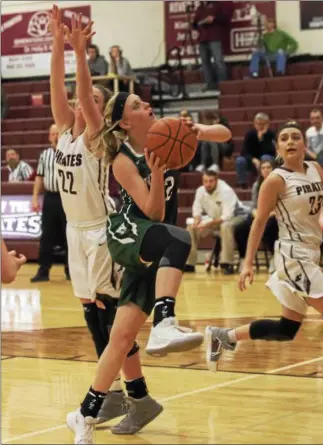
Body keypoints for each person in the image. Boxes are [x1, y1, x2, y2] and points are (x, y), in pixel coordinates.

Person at [65, 13, 232, 444]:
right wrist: (80, 53)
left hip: (153, 247)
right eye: (138, 106)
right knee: (179, 235)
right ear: (123, 121)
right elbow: (153, 211)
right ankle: (164, 321)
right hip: (128, 234)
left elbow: (226, 131)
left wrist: (198, 129)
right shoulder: (120, 154)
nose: (148, 107)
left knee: (120, 338)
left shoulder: (169, 138)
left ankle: (84, 415)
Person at [50, 6, 162, 435]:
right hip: (74, 234)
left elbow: (78, 91)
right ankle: (128, 394)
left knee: (110, 317)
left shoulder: (99, 141)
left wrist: (81, 54)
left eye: (94, 99)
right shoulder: (63, 131)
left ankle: (131, 395)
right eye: (86, 98)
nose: (84, 102)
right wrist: (59, 44)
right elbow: (58, 88)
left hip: (101, 233)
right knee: (93, 317)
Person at [205, 121, 323, 372]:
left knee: (286, 329)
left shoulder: (315, 169)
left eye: (296, 137)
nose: (291, 141)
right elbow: (258, 222)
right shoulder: (275, 180)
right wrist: (247, 263)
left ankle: (224, 336)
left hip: (312, 252)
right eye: (284, 138)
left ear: (305, 144)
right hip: (293, 255)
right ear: (278, 148)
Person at [185, 170, 249, 275]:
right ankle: (189, 264)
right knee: (191, 228)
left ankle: (227, 264)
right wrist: (197, 221)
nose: (208, 184)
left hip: (237, 217)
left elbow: (226, 216)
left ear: (216, 181)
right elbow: (196, 210)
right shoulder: (200, 191)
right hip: (215, 219)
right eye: (205, 181)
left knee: (225, 226)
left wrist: (207, 224)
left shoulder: (226, 191)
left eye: (211, 181)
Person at [30, 123, 70, 282]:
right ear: (49, 136)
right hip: (50, 198)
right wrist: (34, 198)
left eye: (57, 133)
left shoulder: (69, 152)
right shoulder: (44, 155)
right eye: (52, 134)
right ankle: (43, 271)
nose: (55, 136)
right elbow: (39, 177)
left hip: (67, 198)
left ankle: (71, 271)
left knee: (70, 236)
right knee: (46, 236)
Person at [234, 159, 278, 272]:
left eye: (268, 167)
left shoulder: (279, 183)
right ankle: (244, 258)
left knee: (268, 227)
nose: (266, 170)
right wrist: (256, 213)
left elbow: (281, 206)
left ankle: (274, 257)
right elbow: (254, 205)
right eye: (263, 168)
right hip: (260, 214)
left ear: (273, 169)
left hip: (275, 215)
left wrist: (268, 214)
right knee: (239, 228)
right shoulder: (256, 185)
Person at [193, 1, 233, 91]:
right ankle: (209, 84)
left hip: (214, 37)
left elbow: (226, 18)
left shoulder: (218, 5)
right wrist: (195, 26)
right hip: (202, 38)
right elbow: (195, 23)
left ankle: (222, 84)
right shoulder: (200, 8)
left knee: (218, 61)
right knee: (205, 63)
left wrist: (214, 18)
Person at [236, 113, 276, 188]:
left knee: (265, 158)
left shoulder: (270, 134)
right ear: (254, 124)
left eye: (263, 124)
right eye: (258, 124)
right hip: (252, 160)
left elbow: (271, 151)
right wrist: (253, 159)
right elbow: (244, 152)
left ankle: (266, 181)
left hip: (267, 159)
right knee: (240, 160)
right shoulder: (249, 134)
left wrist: (261, 139)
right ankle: (243, 183)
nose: (260, 126)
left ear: (267, 124)